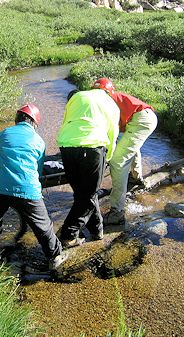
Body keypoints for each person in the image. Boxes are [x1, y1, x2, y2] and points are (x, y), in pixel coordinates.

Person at [0, 103, 67, 270]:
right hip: (27, 190)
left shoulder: (3, 134)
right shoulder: (38, 141)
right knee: (43, 225)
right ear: (35, 123)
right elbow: (38, 171)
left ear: (17, 119)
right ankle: (55, 256)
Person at [56, 87, 120, 248]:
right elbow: (113, 133)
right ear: (108, 92)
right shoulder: (111, 103)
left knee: (83, 193)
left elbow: (66, 122)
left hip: (66, 145)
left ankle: (97, 230)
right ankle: (68, 235)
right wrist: (108, 157)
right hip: (92, 147)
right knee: (88, 195)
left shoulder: (76, 97)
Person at [93, 78, 158, 226]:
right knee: (130, 147)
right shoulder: (112, 98)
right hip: (145, 118)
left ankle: (117, 212)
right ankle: (136, 178)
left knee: (117, 161)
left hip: (141, 120)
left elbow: (109, 133)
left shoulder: (105, 102)